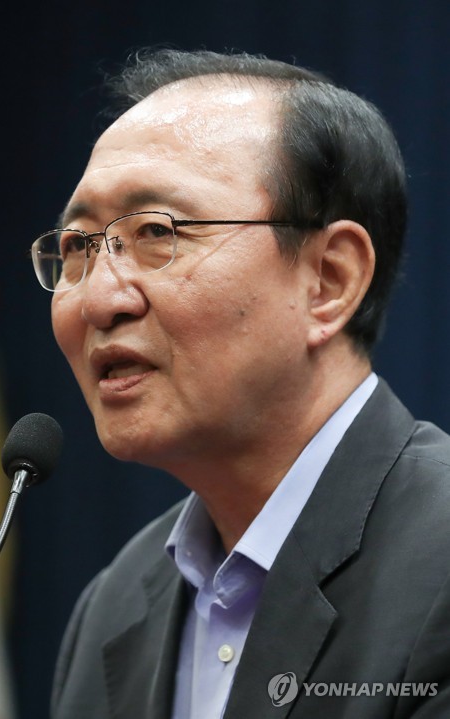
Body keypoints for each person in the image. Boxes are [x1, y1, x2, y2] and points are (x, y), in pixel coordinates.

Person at [30, 49, 450, 718]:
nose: (99, 300)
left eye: (157, 231)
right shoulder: (114, 606)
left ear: (329, 280)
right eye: (78, 246)